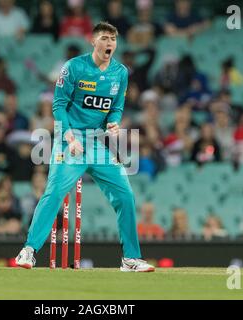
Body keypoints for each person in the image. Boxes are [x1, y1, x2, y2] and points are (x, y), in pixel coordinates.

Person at [15, 22, 155, 272]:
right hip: (69, 140)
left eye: (113, 38)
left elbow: (117, 107)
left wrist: (113, 122)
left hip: (97, 143)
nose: (109, 43)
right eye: (104, 38)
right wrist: (69, 137)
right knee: (54, 193)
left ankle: (130, 259)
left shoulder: (120, 73)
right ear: (93, 41)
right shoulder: (74, 67)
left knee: (125, 195)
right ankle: (28, 250)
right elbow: (58, 105)